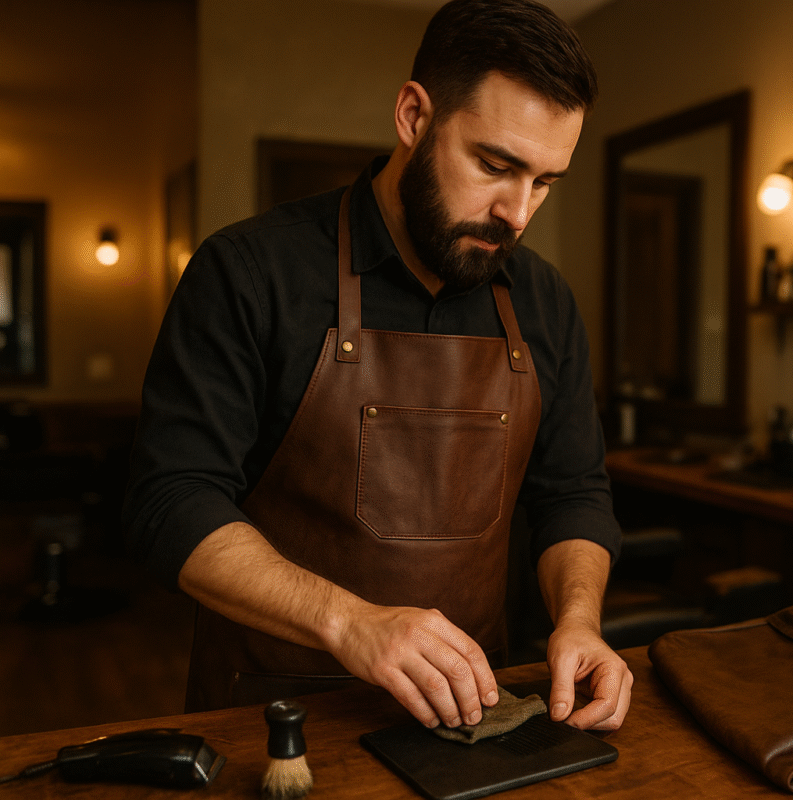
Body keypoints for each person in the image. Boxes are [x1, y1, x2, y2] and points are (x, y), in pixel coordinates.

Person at [122, 0, 633, 732]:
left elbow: (574, 495)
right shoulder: (249, 271)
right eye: (495, 164)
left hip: (476, 718)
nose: (517, 212)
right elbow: (170, 500)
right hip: (273, 717)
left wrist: (579, 621)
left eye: (545, 182)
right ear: (414, 116)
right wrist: (349, 621)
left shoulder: (544, 301)